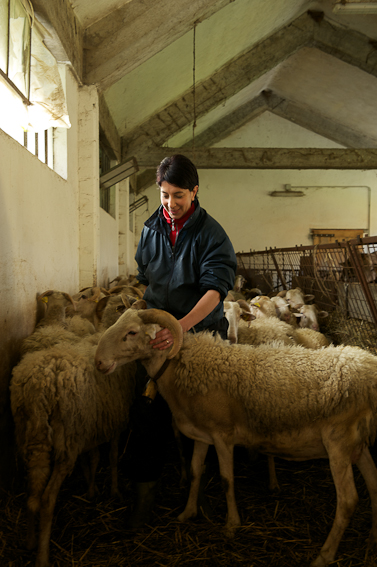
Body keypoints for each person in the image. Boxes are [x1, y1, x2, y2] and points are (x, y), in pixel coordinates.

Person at [126, 153, 237, 527]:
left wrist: (181, 327)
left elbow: (215, 290)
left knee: (202, 418)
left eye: (178, 196)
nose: (171, 204)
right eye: (164, 195)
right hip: (159, 339)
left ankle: (199, 495)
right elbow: (146, 278)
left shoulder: (211, 234)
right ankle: (145, 496)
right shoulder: (150, 229)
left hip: (201, 335)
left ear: (195, 191)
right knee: (147, 413)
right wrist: (143, 314)